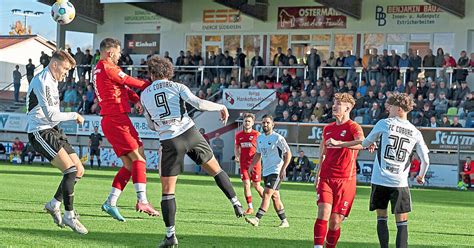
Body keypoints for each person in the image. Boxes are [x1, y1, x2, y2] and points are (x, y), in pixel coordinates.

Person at [140, 56, 244, 247]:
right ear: (168, 71)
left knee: (168, 192)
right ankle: (235, 202)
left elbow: (151, 125)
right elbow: (199, 104)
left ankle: (170, 236)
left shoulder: (144, 94)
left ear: (152, 73)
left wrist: (164, 124)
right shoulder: (177, 87)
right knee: (216, 170)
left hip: (170, 141)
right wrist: (221, 106)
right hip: (191, 133)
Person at [327, 93, 430, 248]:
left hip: (380, 180)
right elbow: (426, 160)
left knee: (381, 218)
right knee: (402, 223)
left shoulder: (384, 123)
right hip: (400, 183)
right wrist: (421, 175)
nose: (388, 108)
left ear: (400, 109)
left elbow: (365, 143)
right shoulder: (415, 132)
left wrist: (339, 143)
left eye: (392, 106)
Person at [94, 38, 159, 222]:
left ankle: (110, 202)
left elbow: (121, 87)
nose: (120, 55)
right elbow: (129, 81)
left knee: (130, 165)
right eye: (118, 52)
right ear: (110, 52)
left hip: (111, 119)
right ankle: (142, 201)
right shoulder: (108, 67)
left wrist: (135, 99)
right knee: (139, 159)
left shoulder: (100, 69)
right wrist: (153, 84)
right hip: (116, 119)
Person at [26, 49, 87, 234]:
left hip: (53, 129)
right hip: (40, 131)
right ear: (54, 64)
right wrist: (74, 114)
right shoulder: (42, 80)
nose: (66, 73)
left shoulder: (53, 80)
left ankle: (54, 204)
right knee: (70, 170)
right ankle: (69, 216)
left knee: (79, 170)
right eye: (65, 69)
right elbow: (50, 115)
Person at [313, 93, 367, 248]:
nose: (334, 106)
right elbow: (323, 153)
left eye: (338, 104)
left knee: (335, 221)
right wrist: (317, 175)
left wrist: (339, 143)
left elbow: (362, 143)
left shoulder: (353, 127)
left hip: (346, 180)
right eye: (334, 103)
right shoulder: (328, 128)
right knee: (323, 212)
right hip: (326, 178)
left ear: (348, 108)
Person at [244, 114, 291, 228]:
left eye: (268, 123)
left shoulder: (277, 138)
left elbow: (288, 153)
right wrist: (251, 166)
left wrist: (283, 168)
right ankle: (284, 221)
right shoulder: (260, 138)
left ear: (273, 125)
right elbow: (258, 154)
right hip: (266, 171)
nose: (265, 124)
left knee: (266, 194)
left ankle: (257, 219)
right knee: (275, 197)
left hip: (276, 171)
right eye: (263, 122)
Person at [234, 113, 264, 215]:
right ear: (243, 122)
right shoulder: (239, 135)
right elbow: (237, 147)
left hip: (255, 164)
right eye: (245, 121)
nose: (247, 123)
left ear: (253, 123)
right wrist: (237, 156)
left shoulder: (257, 135)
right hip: (243, 164)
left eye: (249, 121)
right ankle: (250, 207)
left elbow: (262, 148)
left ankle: (266, 201)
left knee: (257, 186)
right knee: (246, 184)